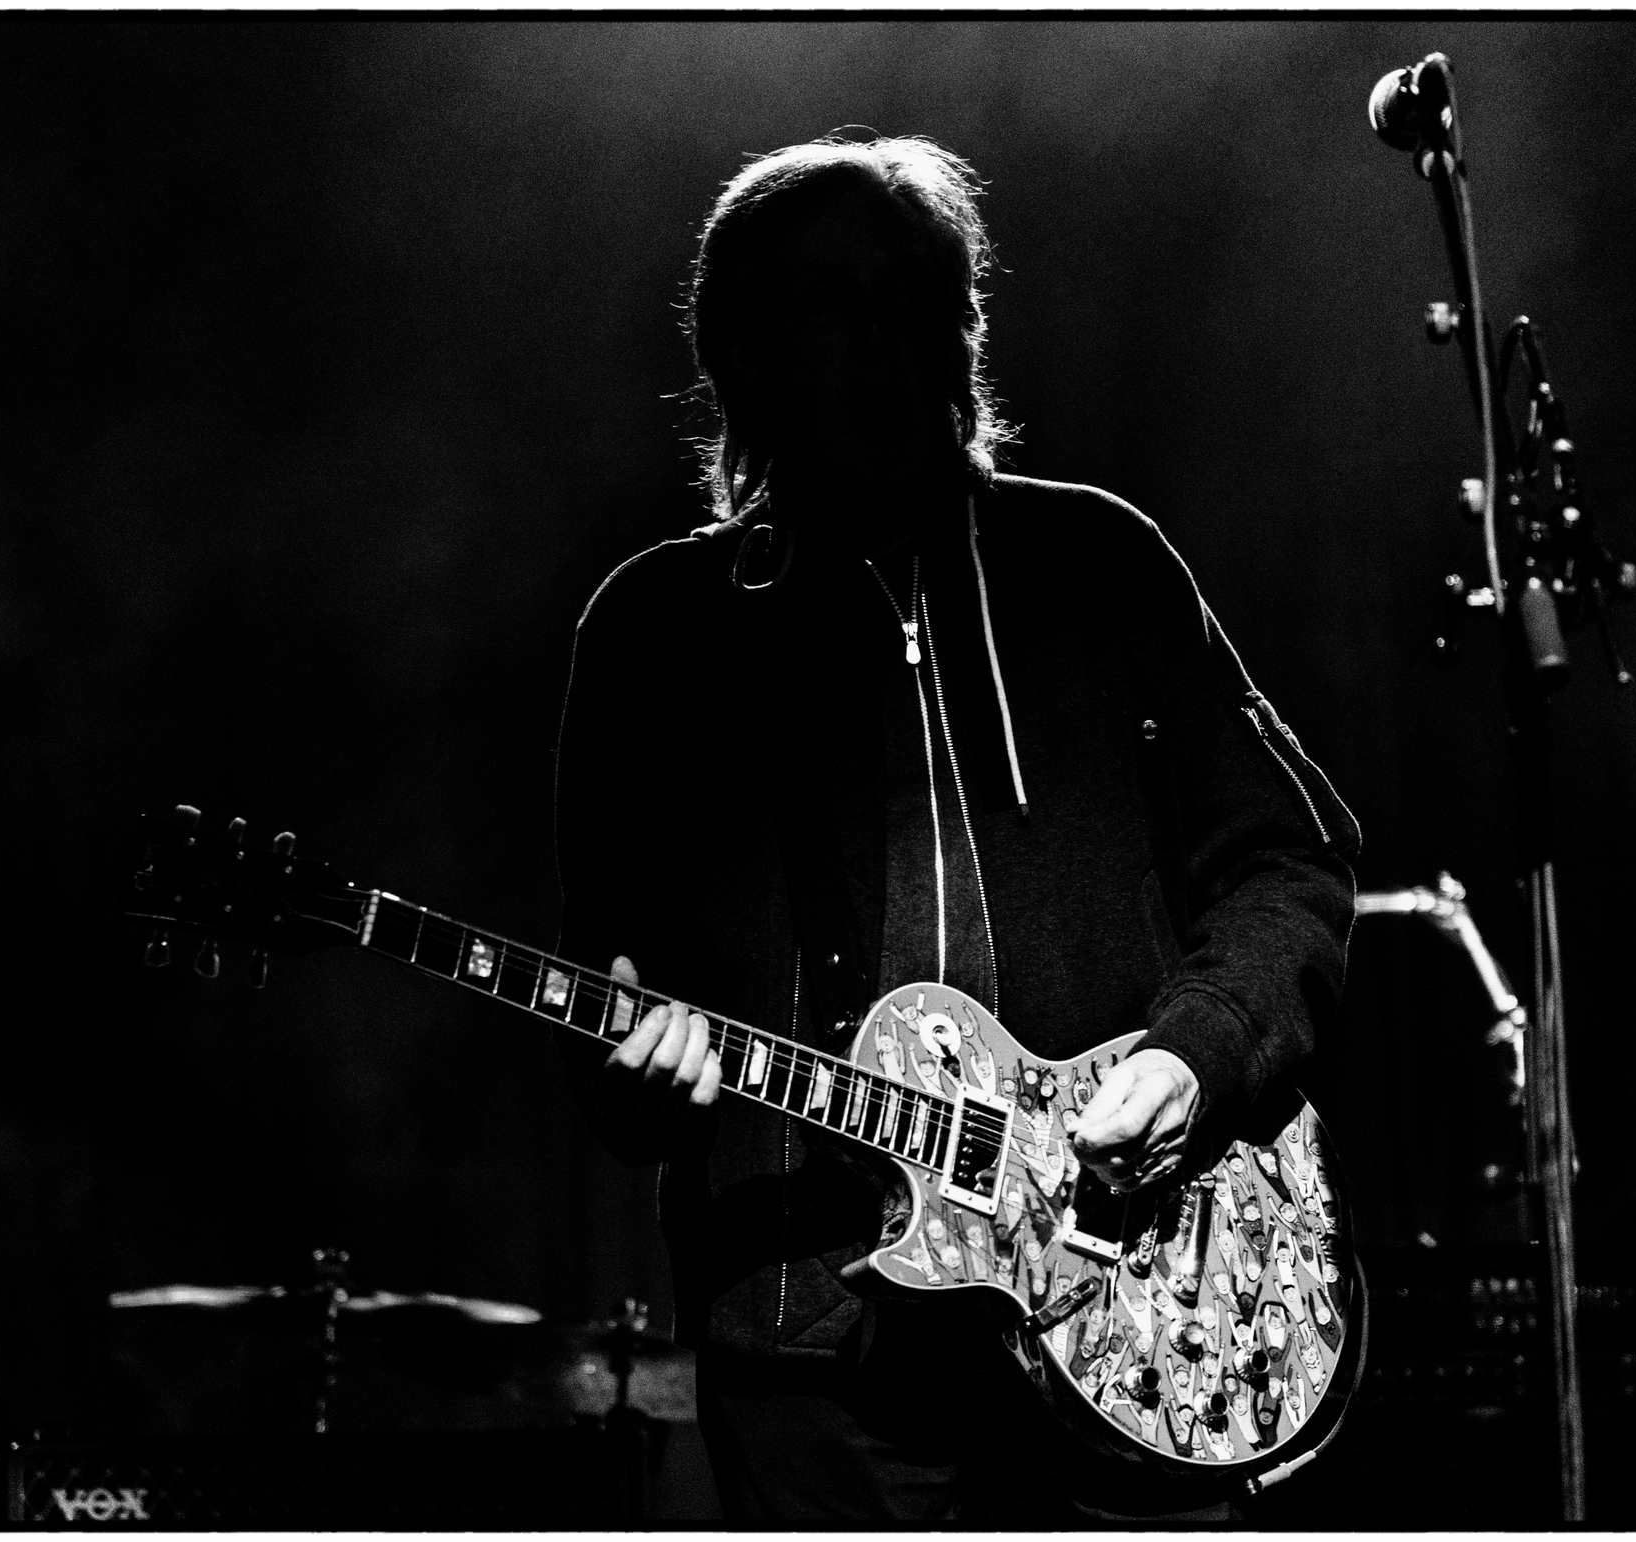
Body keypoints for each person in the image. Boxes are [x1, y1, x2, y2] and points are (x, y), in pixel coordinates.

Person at [553, 134, 1359, 1525]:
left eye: (911, 292)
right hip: (814, 1352)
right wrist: (637, 1055)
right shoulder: (655, 637)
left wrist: (1191, 1057)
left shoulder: (1098, 564)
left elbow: (1290, 860)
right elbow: (615, 1008)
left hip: (1132, 1310)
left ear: (964, 325)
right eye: (830, 304)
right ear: (746, 354)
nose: (880, 337)